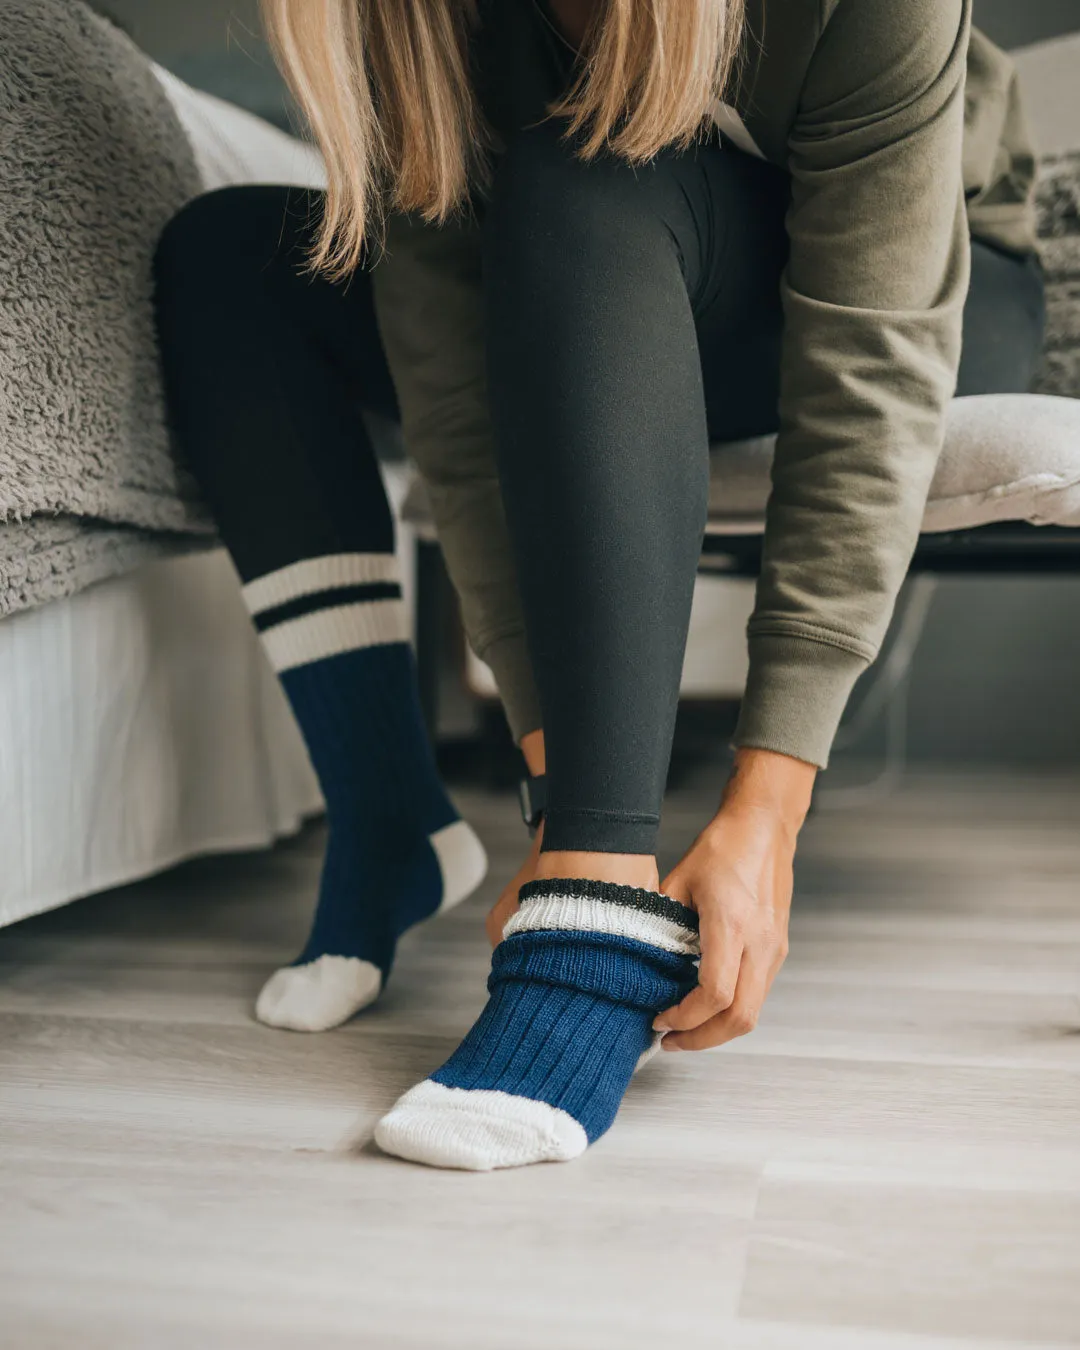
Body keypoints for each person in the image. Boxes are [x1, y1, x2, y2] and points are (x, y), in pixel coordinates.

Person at [159, 0, 1044, 1169]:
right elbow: (458, 394)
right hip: (573, 270)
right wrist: (545, 765)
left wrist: (766, 811)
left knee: (593, 166)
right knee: (228, 258)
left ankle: (597, 911)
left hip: (923, 288)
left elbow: (869, 367)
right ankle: (387, 823)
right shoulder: (420, 23)